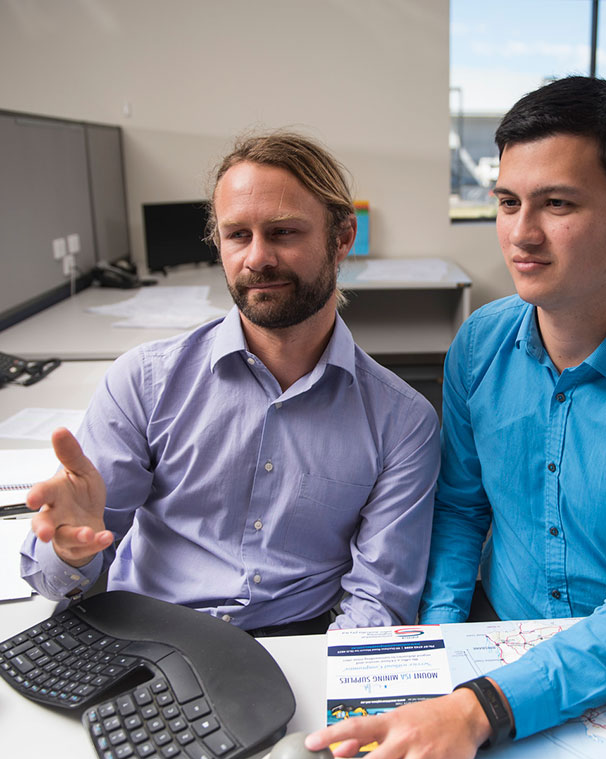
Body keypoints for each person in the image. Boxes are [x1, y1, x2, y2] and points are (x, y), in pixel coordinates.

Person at [306, 77, 606, 759]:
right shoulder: (480, 344)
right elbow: (461, 510)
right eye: (507, 201)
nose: (521, 234)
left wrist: (477, 707)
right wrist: (437, 651)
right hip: (492, 637)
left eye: (557, 204)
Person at [20, 132, 440, 635]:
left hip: (297, 643)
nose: (257, 258)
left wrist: (331, 691)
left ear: (342, 237)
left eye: (284, 232)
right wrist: (67, 550)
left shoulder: (402, 421)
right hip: (150, 634)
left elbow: (379, 601)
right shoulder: (143, 383)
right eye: (238, 234)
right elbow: (55, 574)